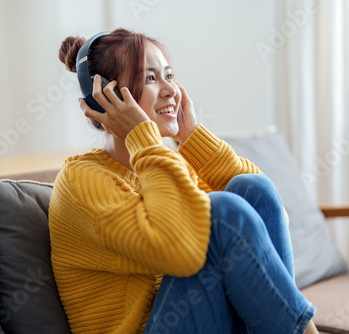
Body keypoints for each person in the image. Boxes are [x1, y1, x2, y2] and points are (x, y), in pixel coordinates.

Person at [49, 28, 318, 334]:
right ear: (104, 99)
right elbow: (181, 250)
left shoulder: (170, 166)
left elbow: (269, 222)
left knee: (252, 189)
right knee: (221, 211)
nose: (170, 90)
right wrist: (142, 138)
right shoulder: (81, 181)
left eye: (169, 75)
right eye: (150, 78)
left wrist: (191, 137)